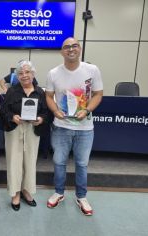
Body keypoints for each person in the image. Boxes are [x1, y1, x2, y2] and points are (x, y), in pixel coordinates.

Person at [45, 37, 103, 216]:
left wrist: (86, 110)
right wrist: (55, 110)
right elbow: (48, 96)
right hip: (61, 127)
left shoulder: (92, 70)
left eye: (74, 46)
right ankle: (59, 192)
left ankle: (81, 196)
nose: (71, 49)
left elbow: (98, 94)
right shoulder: (53, 73)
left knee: (82, 164)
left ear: (80, 48)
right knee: (59, 162)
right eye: (66, 47)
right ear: (62, 51)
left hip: (85, 129)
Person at [1, 60, 48, 211]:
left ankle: (26, 190)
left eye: (27, 72)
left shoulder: (40, 92)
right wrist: (12, 117)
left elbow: (46, 112)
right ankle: (15, 193)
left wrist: (41, 119)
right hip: (15, 129)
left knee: (30, 162)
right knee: (14, 162)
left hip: (33, 131)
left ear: (33, 74)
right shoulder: (12, 91)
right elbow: (4, 111)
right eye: (21, 73)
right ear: (17, 76)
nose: (24, 75)